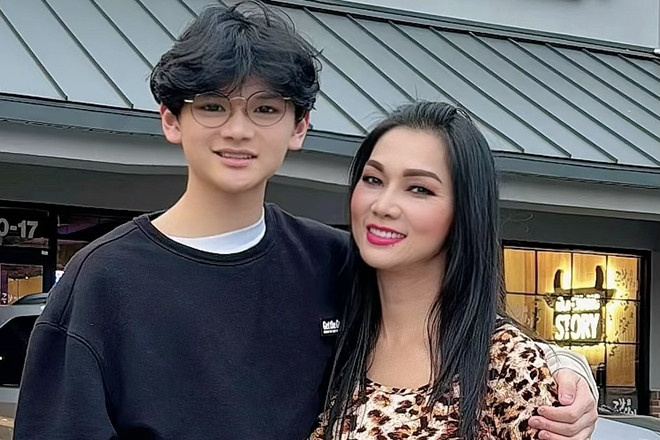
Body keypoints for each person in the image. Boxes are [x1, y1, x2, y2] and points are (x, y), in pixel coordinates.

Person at [14, 3, 597, 439]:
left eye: (265, 108)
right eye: (211, 106)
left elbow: (458, 322)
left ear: (299, 127)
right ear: (171, 119)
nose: (238, 130)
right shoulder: (104, 281)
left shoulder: (331, 262)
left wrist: (568, 372)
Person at [310, 102, 596, 440]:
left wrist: (566, 368)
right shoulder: (332, 335)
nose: (383, 205)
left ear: (465, 211)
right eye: (373, 179)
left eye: (419, 189)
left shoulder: (507, 367)